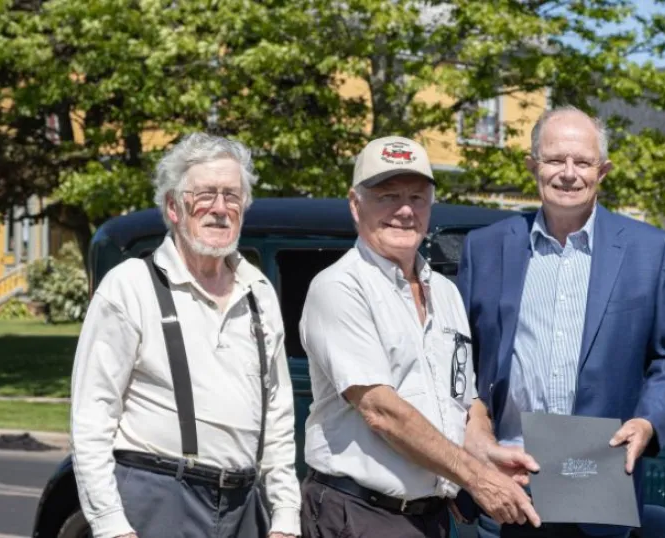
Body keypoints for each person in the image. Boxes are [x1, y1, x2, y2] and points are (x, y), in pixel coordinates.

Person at [455, 106, 665, 538]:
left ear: (602, 171)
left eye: (582, 162)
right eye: (554, 160)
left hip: (598, 483)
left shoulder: (651, 252)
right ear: (533, 166)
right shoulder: (486, 248)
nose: (568, 173)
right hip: (507, 482)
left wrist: (647, 422)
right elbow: (458, 360)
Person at [298, 136, 541, 538]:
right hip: (357, 514)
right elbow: (382, 411)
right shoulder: (339, 287)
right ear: (355, 205)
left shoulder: (444, 292)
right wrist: (477, 478)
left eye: (417, 196)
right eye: (387, 196)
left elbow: (466, 400)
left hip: (428, 518)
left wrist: (485, 449)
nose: (405, 210)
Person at [69, 133, 300, 538]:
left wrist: (285, 517)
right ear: (174, 207)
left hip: (245, 505)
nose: (219, 209)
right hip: (158, 498)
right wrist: (111, 527)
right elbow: (92, 419)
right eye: (205, 194)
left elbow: (278, 417)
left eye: (232, 196)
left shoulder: (258, 291)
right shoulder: (130, 285)